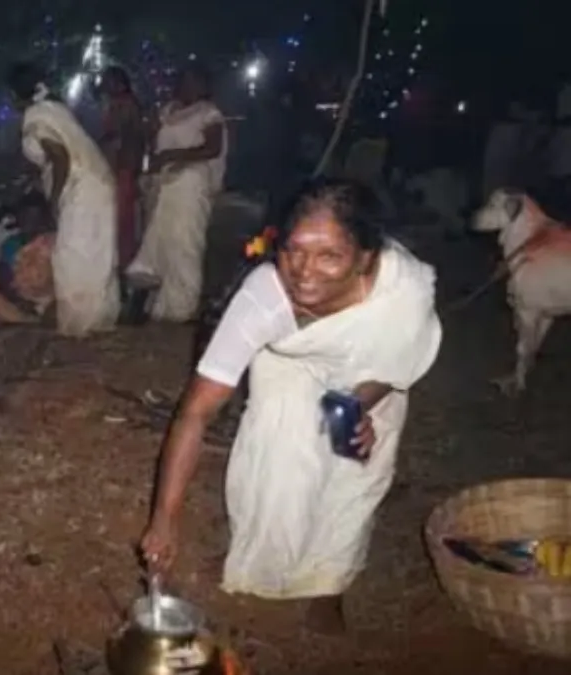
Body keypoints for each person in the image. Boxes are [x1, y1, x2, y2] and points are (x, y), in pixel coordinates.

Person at [140, 179, 442, 634]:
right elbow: (196, 412)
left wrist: (358, 405)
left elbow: (397, 361)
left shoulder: (404, 293)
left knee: (354, 470)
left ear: (365, 259)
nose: (304, 271)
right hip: (290, 362)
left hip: (370, 376)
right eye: (294, 250)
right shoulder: (263, 297)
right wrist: (164, 519)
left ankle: (329, 585)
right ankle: (266, 560)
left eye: (329, 256)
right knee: (280, 455)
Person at [7, 62, 120, 336]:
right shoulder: (55, 108)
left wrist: (54, 200)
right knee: (94, 253)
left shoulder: (36, 115)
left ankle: (77, 323)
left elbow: (59, 157)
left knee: (73, 254)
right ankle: (96, 321)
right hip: (97, 182)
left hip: (80, 187)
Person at [127, 63, 227, 323]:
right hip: (165, 182)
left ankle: (183, 307)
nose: (186, 85)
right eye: (183, 80)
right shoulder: (168, 111)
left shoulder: (208, 112)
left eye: (192, 81)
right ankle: (160, 307)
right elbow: (154, 145)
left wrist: (175, 156)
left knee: (185, 242)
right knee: (164, 241)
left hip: (191, 183)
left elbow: (212, 148)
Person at [0, 191, 57, 323]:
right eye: (25, 217)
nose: (30, 223)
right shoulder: (12, 245)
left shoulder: (53, 245)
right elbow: (5, 280)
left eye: (35, 217)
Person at [99, 67, 145, 270]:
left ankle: (123, 262)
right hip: (120, 167)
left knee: (122, 219)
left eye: (107, 81)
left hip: (122, 167)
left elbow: (122, 135)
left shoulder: (125, 105)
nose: (104, 86)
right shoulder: (119, 104)